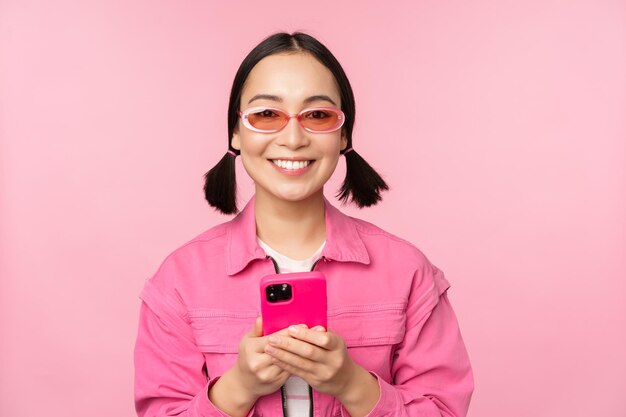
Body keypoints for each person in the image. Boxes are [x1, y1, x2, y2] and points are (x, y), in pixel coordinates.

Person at [134, 32, 474, 417]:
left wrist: (351, 383)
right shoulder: (179, 281)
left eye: (317, 115)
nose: (293, 138)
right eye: (266, 115)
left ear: (343, 134)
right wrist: (238, 388)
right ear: (235, 131)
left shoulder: (409, 272)